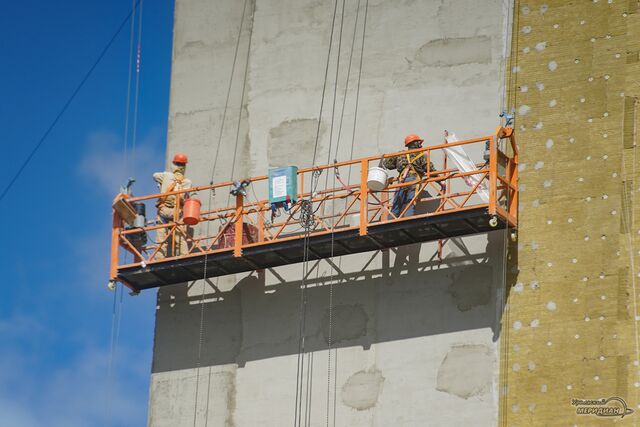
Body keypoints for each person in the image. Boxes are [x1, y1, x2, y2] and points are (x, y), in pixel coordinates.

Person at [381, 134, 435, 218]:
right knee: (410, 203)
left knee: (396, 204)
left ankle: (390, 221)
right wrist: (440, 181)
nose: (420, 144)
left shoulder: (401, 154)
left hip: (402, 180)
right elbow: (430, 170)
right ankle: (408, 219)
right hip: (414, 180)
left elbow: (388, 165)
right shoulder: (421, 155)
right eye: (419, 142)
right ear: (414, 143)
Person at [153, 153, 193, 258]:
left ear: (174, 164)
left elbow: (155, 175)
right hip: (177, 212)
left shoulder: (166, 175)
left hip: (164, 210)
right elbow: (189, 197)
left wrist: (162, 183)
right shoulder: (187, 182)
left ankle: (159, 259)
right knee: (180, 237)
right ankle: (184, 256)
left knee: (161, 239)